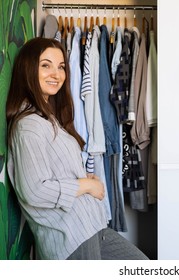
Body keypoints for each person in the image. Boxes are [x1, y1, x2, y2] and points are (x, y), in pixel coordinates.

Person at [6, 37, 148, 260]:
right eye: (46, 65)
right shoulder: (29, 125)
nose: (57, 74)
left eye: (61, 66)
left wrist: (82, 177)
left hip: (91, 227)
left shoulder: (48, 118)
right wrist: (85, 185)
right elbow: (34, 191)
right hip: (69, 238)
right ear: (28, 68)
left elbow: (55, 170)